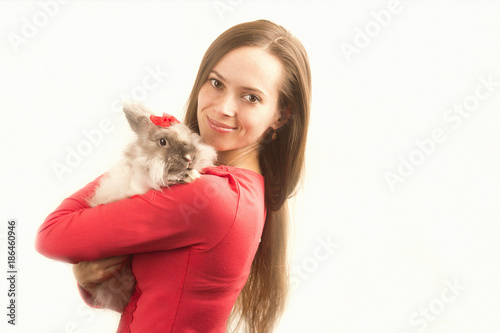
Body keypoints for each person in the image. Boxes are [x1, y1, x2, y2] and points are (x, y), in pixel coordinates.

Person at [36, 19, 311, 333]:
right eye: (216, 83)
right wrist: (90, 276)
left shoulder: (211, 197)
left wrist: (146, 148)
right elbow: (149, 293)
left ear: (281, 115)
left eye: (251, 97)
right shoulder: (233, 190)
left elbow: (53, 234)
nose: (222, 108)